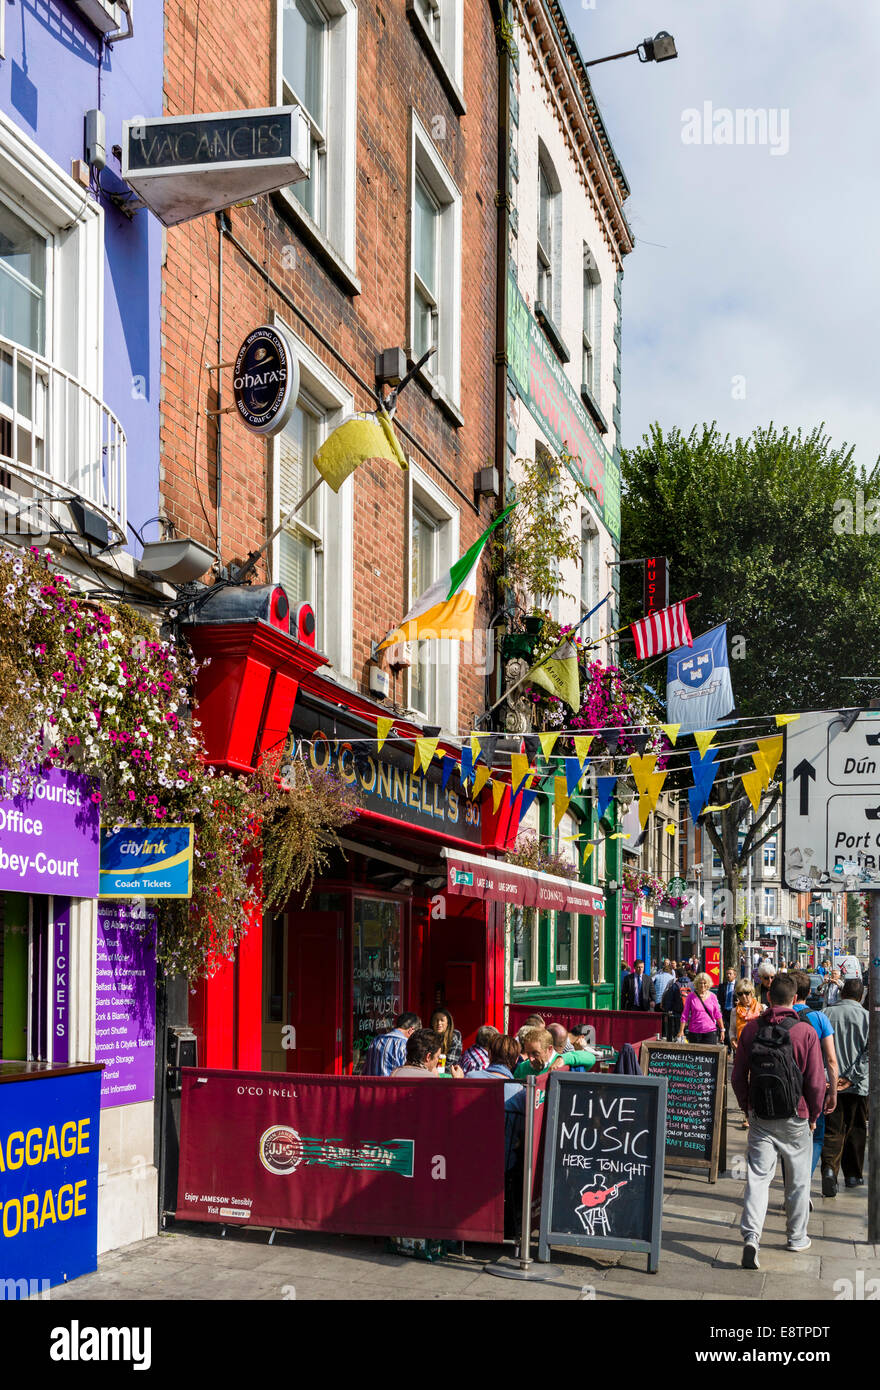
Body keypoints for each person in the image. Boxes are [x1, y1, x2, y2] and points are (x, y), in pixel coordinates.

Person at [732, 973, 825, 1267]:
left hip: (761, 1116)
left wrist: (747, 1106)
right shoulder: (805, 1032)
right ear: (795, 999)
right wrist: (814, 1112)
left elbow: (737, 1076)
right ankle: (796, 1238)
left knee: (758, 1178)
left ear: (769, 998)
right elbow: (815, 1082)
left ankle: (751, 1238)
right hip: (795, 1116)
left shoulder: (750, 1030)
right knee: (798, 1182)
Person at [789, 969, 839, 1183]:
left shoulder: (780, 1016)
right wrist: (833, 1092)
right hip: (814, 1084)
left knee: (788, 1138)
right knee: (817, 1136)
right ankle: (804, 1179)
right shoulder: (820, 1018)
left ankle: (793, 1183)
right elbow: (831, 1060)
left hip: (787, 1085)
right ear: (808, 992)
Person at [821, 979, 869, 1196]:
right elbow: (871, 1053)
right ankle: (853, 1175)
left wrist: (828, 1077)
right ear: (861, 997)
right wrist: (852, 1077)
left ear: (841, 993)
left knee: (832, 1130)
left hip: (830, 1084)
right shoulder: (868, 1019)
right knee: (856, 1128)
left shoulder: (825, 1014)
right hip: (858, 1086)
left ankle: (829, 1170)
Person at [730, 979, 763, 1126]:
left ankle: (756, 1110)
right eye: (740, 994)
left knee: (756, 1081)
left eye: (747, 993)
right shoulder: (734, 1011)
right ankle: (747, 1114)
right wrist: (732, 1040)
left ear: (752, 993)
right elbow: (732, 1029)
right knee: (742, 1081)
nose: (744, 997)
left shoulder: (761, 1008)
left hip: (758, 1050)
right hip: (741, 1050)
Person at [514, 1026, 597, 1079]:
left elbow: (591, 1058)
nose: (530, 1059)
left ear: (550, 1049)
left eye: (536, 1054)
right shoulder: (522, 1068)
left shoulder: (563, 1065)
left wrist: (563, 1059)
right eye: (528, 1053)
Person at [362, 1011, 421, 1076]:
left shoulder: (376, 1040)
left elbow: (365, 1070)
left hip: (372, 1085)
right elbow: (409, 1075)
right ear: (410, 1030)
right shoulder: (405, 1045)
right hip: (393, 1085)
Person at [391, 1028, 464, 1078]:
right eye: (437, 1057)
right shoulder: (430, 1080)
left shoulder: (395, 1073)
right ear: (428, 1057)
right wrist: (458, 1082)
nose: (438, 1061)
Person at [677, 972, 725, 1045]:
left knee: (710, 1055)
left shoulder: (713, 996)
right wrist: (681, 1031)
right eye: (700, 983)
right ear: (697, 984)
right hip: (694, 1032)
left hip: (710, 1031)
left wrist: (722, 1029)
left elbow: (717, 1014)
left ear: (708, 984)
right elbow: (685, 1014)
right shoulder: (690, 997)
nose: (702, 985)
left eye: (705, 983)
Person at [660, 968, 691, 1040]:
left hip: (678, 1014)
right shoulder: (692, 985)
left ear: (677, 975)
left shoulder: (675, 985)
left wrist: (667, 1009)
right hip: (690, 1014)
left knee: (678, 1033)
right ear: (686, 974)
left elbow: (669, 999)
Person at [715, 968, 737, 1053]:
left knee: (734, 1030)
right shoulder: (722, 986)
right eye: (727, 974)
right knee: (727, 1030)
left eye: (730, 974)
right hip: (725, 1011)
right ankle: (728, 1049)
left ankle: (735, 1049)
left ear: (734, 975)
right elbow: (719, 998)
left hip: (735, 1011)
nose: (728, 975)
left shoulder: (738, 985)